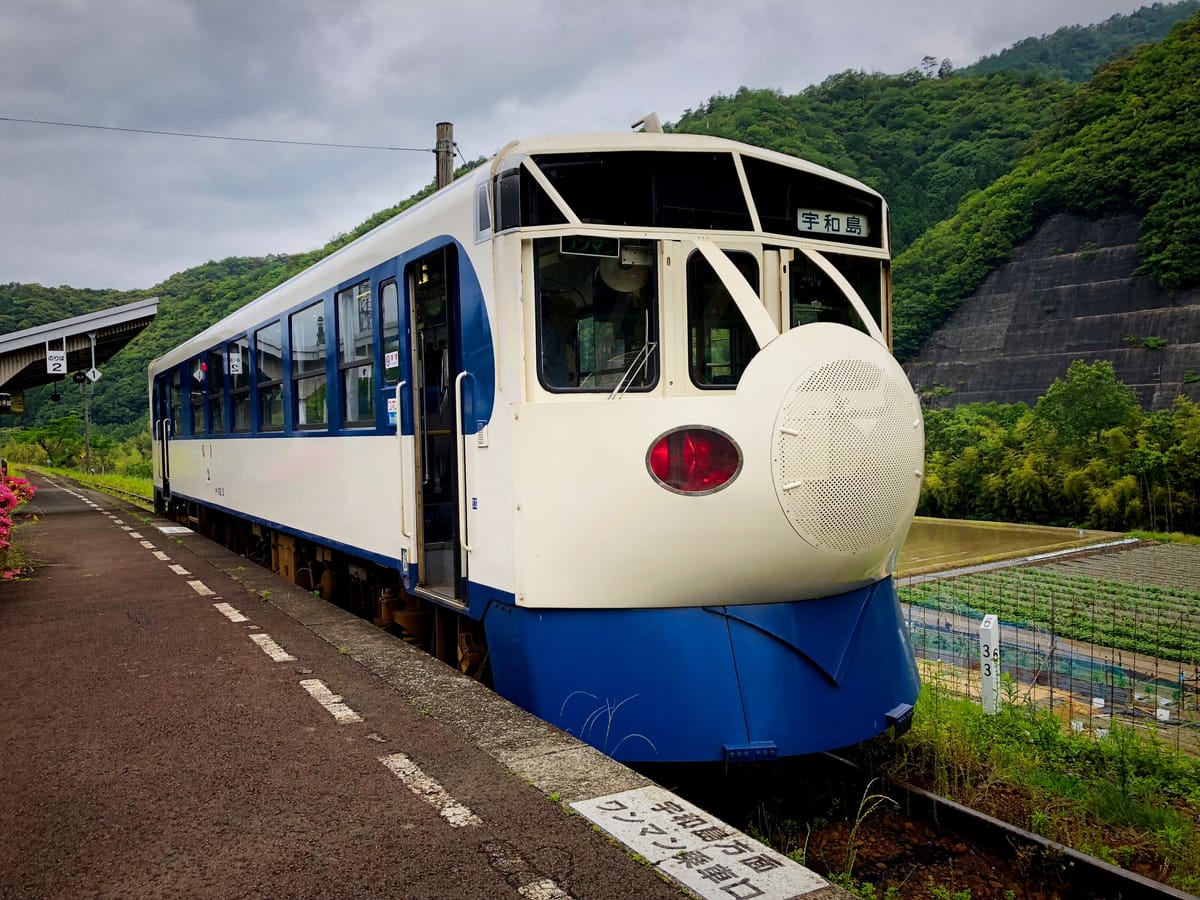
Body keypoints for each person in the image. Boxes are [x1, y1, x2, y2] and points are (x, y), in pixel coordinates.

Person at [540, 293, 579, 388]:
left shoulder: (566, 346)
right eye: (567, 316)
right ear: (553, 315)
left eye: (573, 318)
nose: (570, 322)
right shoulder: (546, 336)